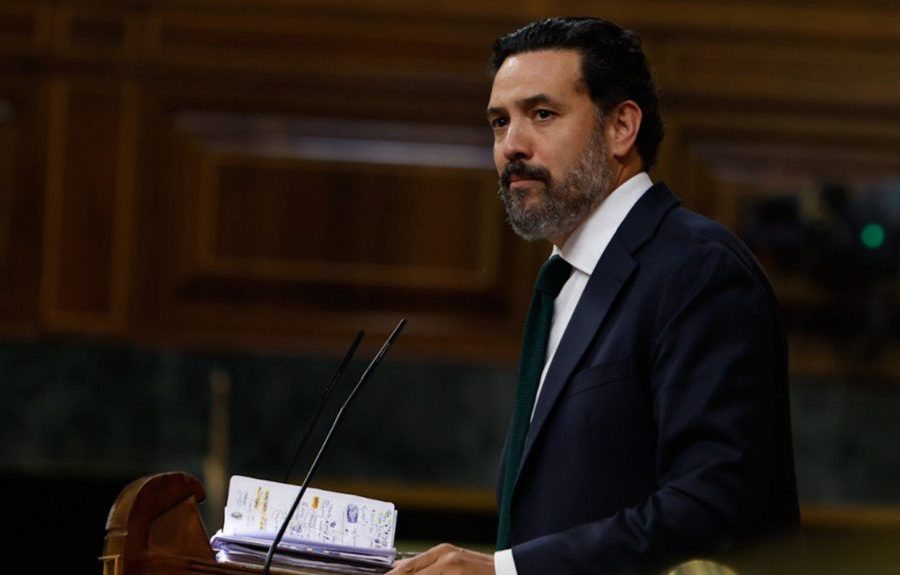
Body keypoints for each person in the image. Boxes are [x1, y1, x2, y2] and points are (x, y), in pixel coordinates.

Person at [388, 17, 799, 575]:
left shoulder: (698, 270)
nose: (511, 146)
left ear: (621, 127)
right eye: (498, 122)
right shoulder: (565, 276)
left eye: (541, 114)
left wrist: (506, 572)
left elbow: (716, 507)